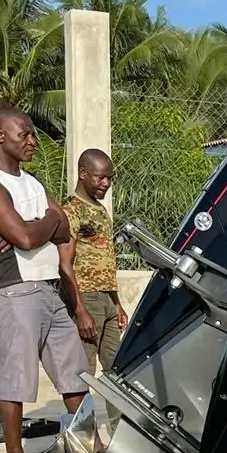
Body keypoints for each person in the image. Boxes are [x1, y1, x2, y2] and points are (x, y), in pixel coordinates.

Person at [0, 106, 90, 453]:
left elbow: (64, 229)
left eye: (32, 134)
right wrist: (39, 225)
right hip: (15, 290)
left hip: (50, 287)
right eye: (24, 135)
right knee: (17, 374)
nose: (33, 141)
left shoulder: (34, 184)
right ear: (0, 136)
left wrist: (37, 226)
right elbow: (25, 238)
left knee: (74, 372)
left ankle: (88, 446)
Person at [61, 148, 128, 374]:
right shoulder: (72, 210)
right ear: (83, 173)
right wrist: (80, 310)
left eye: (109, 178)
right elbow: (64, 263)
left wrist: (117, 304)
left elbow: (105, 261)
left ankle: (116, 403)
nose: (106, 183)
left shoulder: (100, 209)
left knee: (116, 369)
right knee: (84, 369)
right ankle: (81, 402)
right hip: (86, 297)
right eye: (100, 177)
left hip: (107, 298)